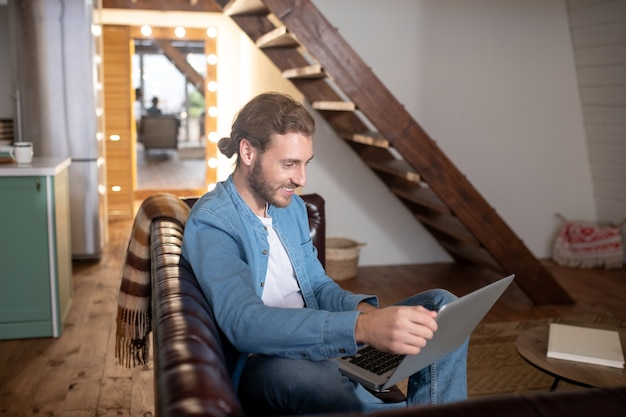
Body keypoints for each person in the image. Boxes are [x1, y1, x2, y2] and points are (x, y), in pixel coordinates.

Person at [180, 92, 468, 415]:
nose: (301, 179)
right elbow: (244, 323)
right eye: (289, 164)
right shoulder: (214, 221)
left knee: (441, 307)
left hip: (325, 348)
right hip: (268, 366)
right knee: (316, 378)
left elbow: (318, 287)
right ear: (248, 151)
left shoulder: (290, 209)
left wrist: (368, 317)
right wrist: (359, 329)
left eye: (305, 164)